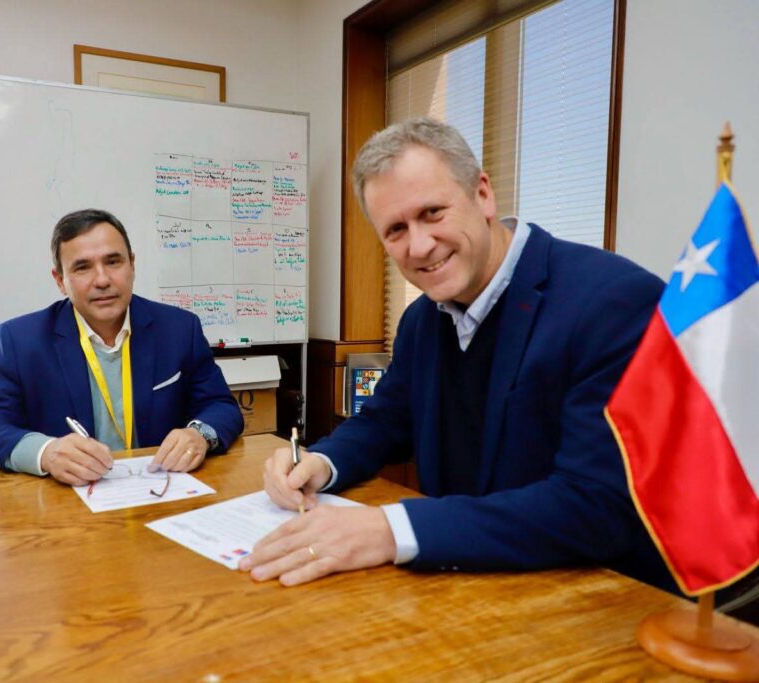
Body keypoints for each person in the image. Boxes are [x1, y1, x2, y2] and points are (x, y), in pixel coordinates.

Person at [240, 117, 674, 591]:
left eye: (432, 213)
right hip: (463, 588)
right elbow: (385, 422)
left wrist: (391, 530)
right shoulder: (421, 319)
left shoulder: (615, 301)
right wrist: (320, 464)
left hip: (601, 598)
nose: (420, 245)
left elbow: (595, 505)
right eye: (396, 230)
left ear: (483, 194)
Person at [0, 209, 244, 485]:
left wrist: (199, 435)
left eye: (113, 262)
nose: (102, 280)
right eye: (82, 267)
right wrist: (46, 452)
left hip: (162, 491)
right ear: (60, 281)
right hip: (69, 502)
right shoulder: (22, 340)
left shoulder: (179, 329)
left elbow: (221, 406)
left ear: (132, 265)